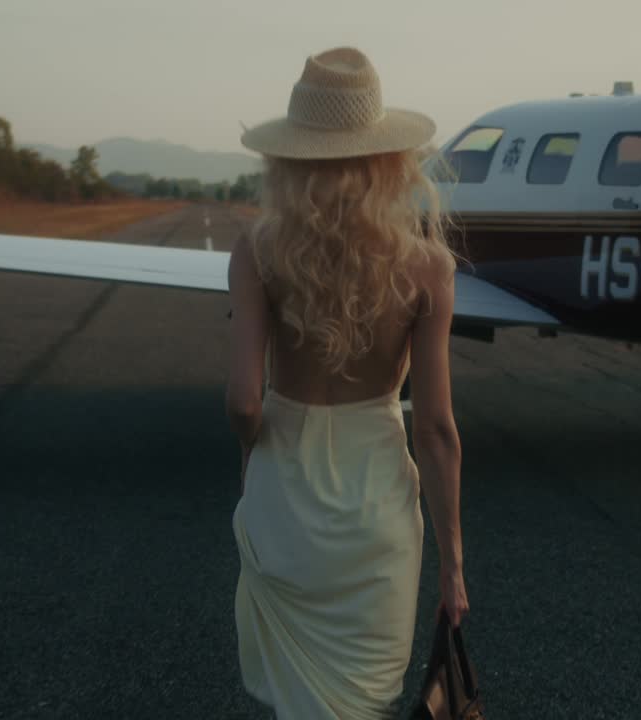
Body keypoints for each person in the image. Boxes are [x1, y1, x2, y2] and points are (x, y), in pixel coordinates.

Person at [226, 47, 467, 719]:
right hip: (375, 513)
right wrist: (452, 563)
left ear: (289, 157)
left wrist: (252, 458)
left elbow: (243, 400)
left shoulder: (256, 252)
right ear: (390, 159)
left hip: (285, 498)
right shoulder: (428, 267)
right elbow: (435, 429)